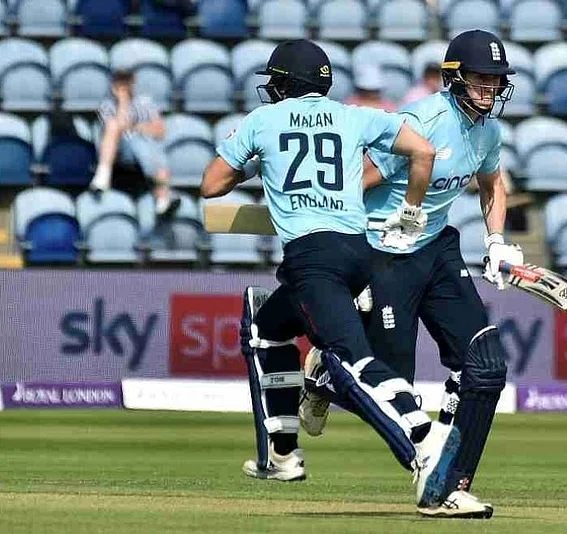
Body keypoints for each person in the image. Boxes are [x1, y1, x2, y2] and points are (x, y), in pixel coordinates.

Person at [200, 39, 461, 511]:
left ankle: (424, 440)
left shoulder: (263, 120)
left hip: (312, 256)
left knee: (353, 361)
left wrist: (259, 164)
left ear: (285, 84)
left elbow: (211, 184)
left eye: (275, 82)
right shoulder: (354, 115)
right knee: (265, 328)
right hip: (358, 253)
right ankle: (281, 454)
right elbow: (423, 151)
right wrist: (411, 210)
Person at [300, 30, 525, 519]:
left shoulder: (488, 131)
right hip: (385, 251)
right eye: (480, 79)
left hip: (437, 247)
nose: (489, 89)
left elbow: (492, 185)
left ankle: (448, 486)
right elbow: (355, 181)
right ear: (454, 78)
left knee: (486, 367)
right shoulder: (421, 122)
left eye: (496, 81)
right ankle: (325, 375)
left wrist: (495, 242)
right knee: (393, 389)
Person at [90, 70, 179, 216]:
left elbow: (160, 131)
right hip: (118, 150)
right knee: (113, 126)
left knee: (146, 147)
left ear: (133, 82)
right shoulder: (107, 105)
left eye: (126, 82)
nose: (123, 86)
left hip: (144, 146)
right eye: (119, 82)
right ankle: (103, 175)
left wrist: (135, 127)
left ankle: (163, 199)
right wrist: (123, 101)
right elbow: (120, 125)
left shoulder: (145, 102)